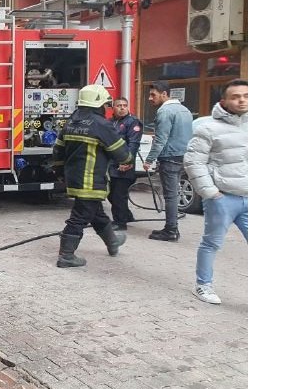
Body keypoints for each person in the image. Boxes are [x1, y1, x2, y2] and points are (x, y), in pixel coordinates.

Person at [52, 85, 132, 268]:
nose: (106, 107)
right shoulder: (101, 125)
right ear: (98, 104)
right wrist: (128, 158)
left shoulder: (70, 122)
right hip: (91, 180)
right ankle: (66, 255)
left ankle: (112, 242)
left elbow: (57, 151)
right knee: (80, 216)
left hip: (73, 179)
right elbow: (123, 155)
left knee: (96, 213)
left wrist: (59, 172)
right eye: (105, 103)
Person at [184, 79, 248, 305]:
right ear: (224, 101)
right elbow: (193, 162)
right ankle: (203, 285)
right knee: (212, 243)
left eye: (246, 95)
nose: (242, 100)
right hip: (223, 197)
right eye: (236, 96)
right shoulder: (208, 128)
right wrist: (210, 192)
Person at [142, 81, 194, 241]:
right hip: (182, 156)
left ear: (164, 94)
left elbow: (160, 140)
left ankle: (171, 230)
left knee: (170, 196)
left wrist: (149, 160)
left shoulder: (164, 111)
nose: (150, 98)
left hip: (169, 157)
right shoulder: (185, 110)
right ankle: (171, 228)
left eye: (153, 95)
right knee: (174, 193)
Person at [107, 97, 143, 230]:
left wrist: (127, 162)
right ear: (113, 108)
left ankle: (120, 223)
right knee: (111, 194)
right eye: (119, 105)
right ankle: (126, 215)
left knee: (118, 195)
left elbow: (133, 144)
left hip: (125, 165)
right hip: (111, 164)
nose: (122, 108)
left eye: (125, 105)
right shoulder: (110, 122)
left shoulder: (132, 122)